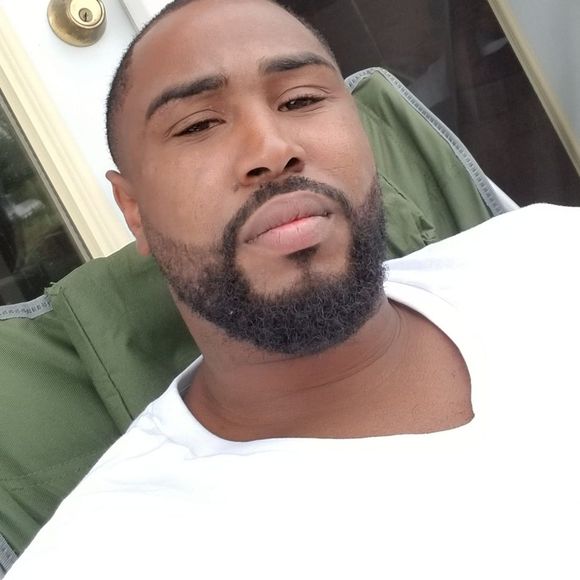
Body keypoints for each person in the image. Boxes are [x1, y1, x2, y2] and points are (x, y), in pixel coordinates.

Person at [6, 0, 579, 578]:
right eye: (198, 125)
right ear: (133, 209)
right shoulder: (112, 555)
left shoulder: (545, 255)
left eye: (301, 100)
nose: (272, 150)